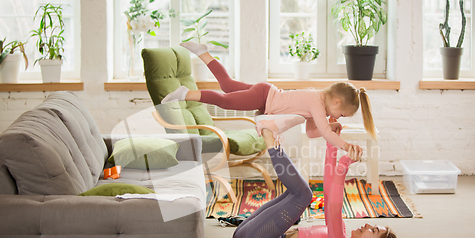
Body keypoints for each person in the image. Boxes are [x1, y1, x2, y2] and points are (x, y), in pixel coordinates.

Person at [231, 121, 418, 238]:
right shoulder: (341, 235)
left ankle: (271, 141)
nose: (368, 224)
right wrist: (332, 144)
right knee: (297, 192)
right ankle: (271, 140)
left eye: (373, 230)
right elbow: (329, 194)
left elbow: (335, 208)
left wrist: (344, 164)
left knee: (303, 195)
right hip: (249, 237)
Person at [161, 42, 377, 152]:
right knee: (225, 100)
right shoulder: (317, 102)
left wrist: (332, 128)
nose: (337, 118)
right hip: (264, 97)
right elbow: (324, 132)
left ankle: (202, 52)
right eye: (341, 114)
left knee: (226, 85)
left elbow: (312, 133)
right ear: (336, 101)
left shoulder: (317, 106)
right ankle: (185, 93)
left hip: (265, 93)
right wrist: (347, 145)